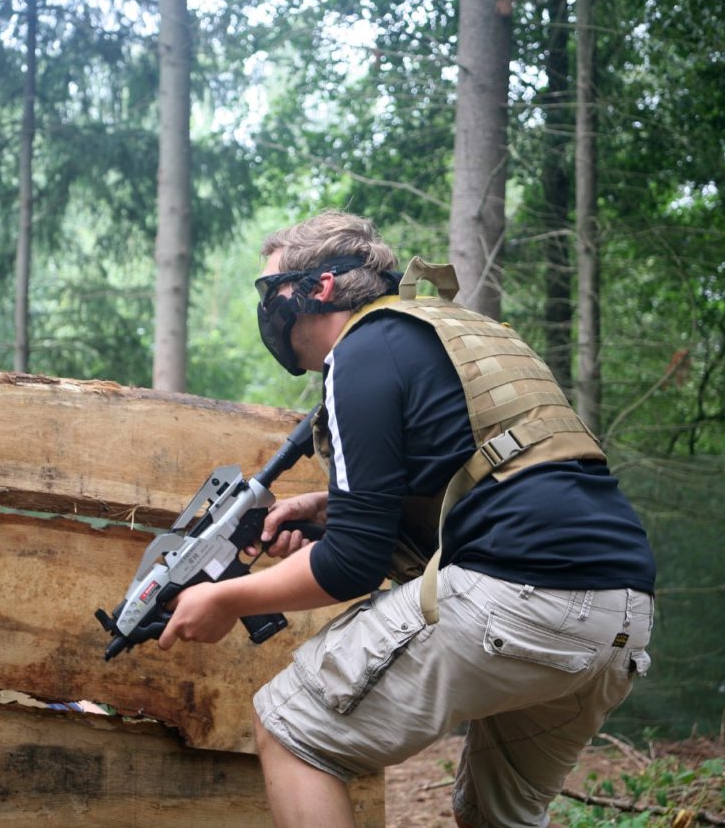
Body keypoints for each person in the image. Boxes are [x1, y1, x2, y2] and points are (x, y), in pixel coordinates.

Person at [158, 210, 655, 828]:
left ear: (321, 287)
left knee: (290, 726)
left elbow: (351, 566)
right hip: (623, 615)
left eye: (272, 288)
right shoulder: (448, 333)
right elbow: (489, 476)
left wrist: (227, 599)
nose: (268, 306)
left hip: (518, 597)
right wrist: (327, 508)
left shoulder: (360, 352)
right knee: (499, 816)